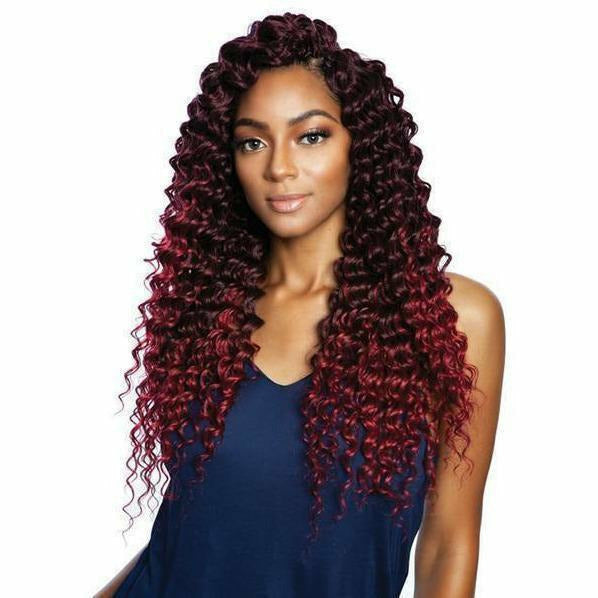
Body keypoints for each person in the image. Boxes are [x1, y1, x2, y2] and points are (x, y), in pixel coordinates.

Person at [95, 12, 505, 598]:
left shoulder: (449, 317)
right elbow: (197, 527)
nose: (279, 167)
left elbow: (449, 541)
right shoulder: (205, 312)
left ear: (360, 144)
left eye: (311, 136)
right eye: (252, 141)